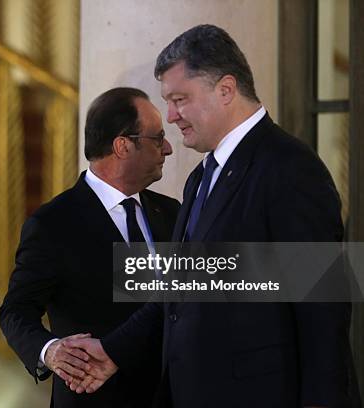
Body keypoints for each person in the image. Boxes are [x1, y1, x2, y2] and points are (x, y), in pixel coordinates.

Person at [64, 25, 360, 407]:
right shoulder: (201, 178)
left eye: (179, 99)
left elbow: (323, 319)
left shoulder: (290, 169)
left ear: (225, 90)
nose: (170, 116)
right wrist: (112, 352)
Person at [0, 87, 180, 407]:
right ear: (123, 145)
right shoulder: (53, 223)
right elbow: (15, 310)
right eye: (157, 138)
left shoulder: (172, 211)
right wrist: (50, 351)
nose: (167, 148)